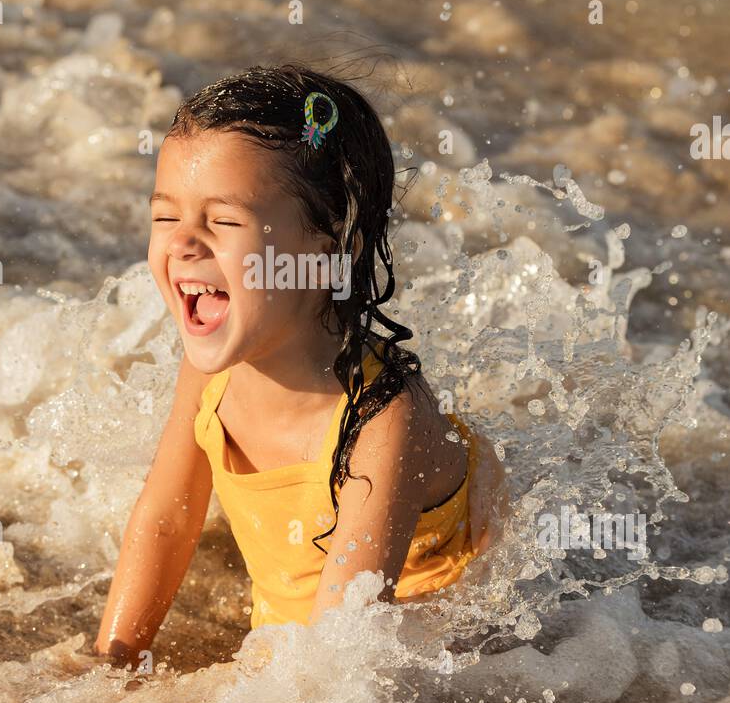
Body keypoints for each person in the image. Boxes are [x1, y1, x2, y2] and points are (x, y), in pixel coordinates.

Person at [94, 63, 505, 666]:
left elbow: (337, 659)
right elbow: (167, 520)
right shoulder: (213, 365)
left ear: (329, 242)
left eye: (223, 221)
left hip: (437, 649)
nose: (183, 242)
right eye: (165, 217)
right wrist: (111, 660)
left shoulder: (382, 415)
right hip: (308, 633)